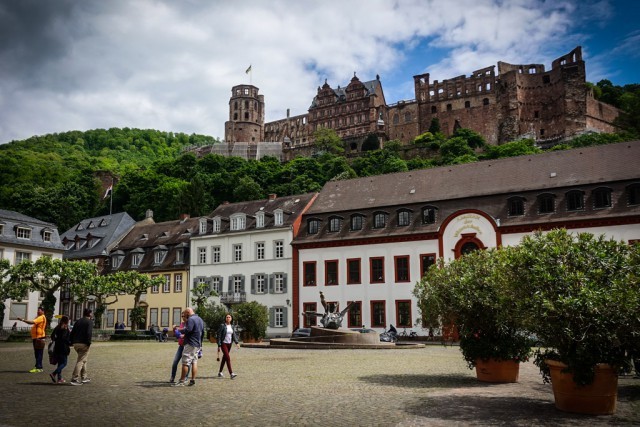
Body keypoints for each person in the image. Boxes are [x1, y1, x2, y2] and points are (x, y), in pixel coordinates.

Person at [172, 307, 204, 387]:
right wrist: (201, 344)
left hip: (190, 343)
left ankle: (182, 381)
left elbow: (188, 330)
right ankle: (193, 379)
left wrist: (179, 330)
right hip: (197, 344)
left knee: (185, 362)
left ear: (188, 312)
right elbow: (202, 332)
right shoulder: (200, 319)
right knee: (194, 362)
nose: (185, 316)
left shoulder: (191, 319)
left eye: (185, 314)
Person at [17, 306, 47, 373]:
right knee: (38, 353)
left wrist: (22, 320)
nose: (38, 311)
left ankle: (38, 367)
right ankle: (39, 366)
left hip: (39, 338)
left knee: (38, 353)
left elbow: (31, 322)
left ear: (43, 311)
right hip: (38, 337)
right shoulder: (40, 317)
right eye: (37, 310)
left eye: (39, 310)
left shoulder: (41, 317)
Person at [69, 308, 93, 386]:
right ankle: (74, 378)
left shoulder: (78, 321)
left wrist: (71, 342)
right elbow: (89, 333)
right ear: (89, 314)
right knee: (81, 361)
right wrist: (88, 342)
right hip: (84, 343)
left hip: (76, 343)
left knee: (83, 360)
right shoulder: (89, 322)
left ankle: (84, 377)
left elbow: (72, 332)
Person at [216, 313, 240, 379]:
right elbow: (219, 335)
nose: (228, 318)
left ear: (231, 319)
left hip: (229, 344)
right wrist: (219, 345)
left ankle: (220, 372)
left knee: (224, 358)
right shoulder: (222, 326)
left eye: (229, 317)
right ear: (225, 318)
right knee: (228, 357)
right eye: (227, 317)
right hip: (224, 343)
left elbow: (234, 335)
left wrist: (237, 342)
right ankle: (231, 373)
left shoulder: (232, 326)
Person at [169, 314, 191, 384]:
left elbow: (189, 333)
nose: (182, 318)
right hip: (181, 346)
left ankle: (186, 377)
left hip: (187, 346)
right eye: (182, 316)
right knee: (175, 362)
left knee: (187, 363)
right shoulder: (182, 324)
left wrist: (183, 335)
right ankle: (172, 377)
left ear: (187, 317)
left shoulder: (189, 324)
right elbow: (177, 335)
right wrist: (174, 330)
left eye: (183, 316)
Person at [50, 315, 71, 384]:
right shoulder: (65, 327)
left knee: (59, 363)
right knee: (64, 363)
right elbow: (64, 338)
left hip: (57, 347)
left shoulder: (57, 327)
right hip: (63, 347)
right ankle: (54, 373)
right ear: (67, 321)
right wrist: (69, 343)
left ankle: (59, 378)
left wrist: (56, 339)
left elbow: (52, 336)